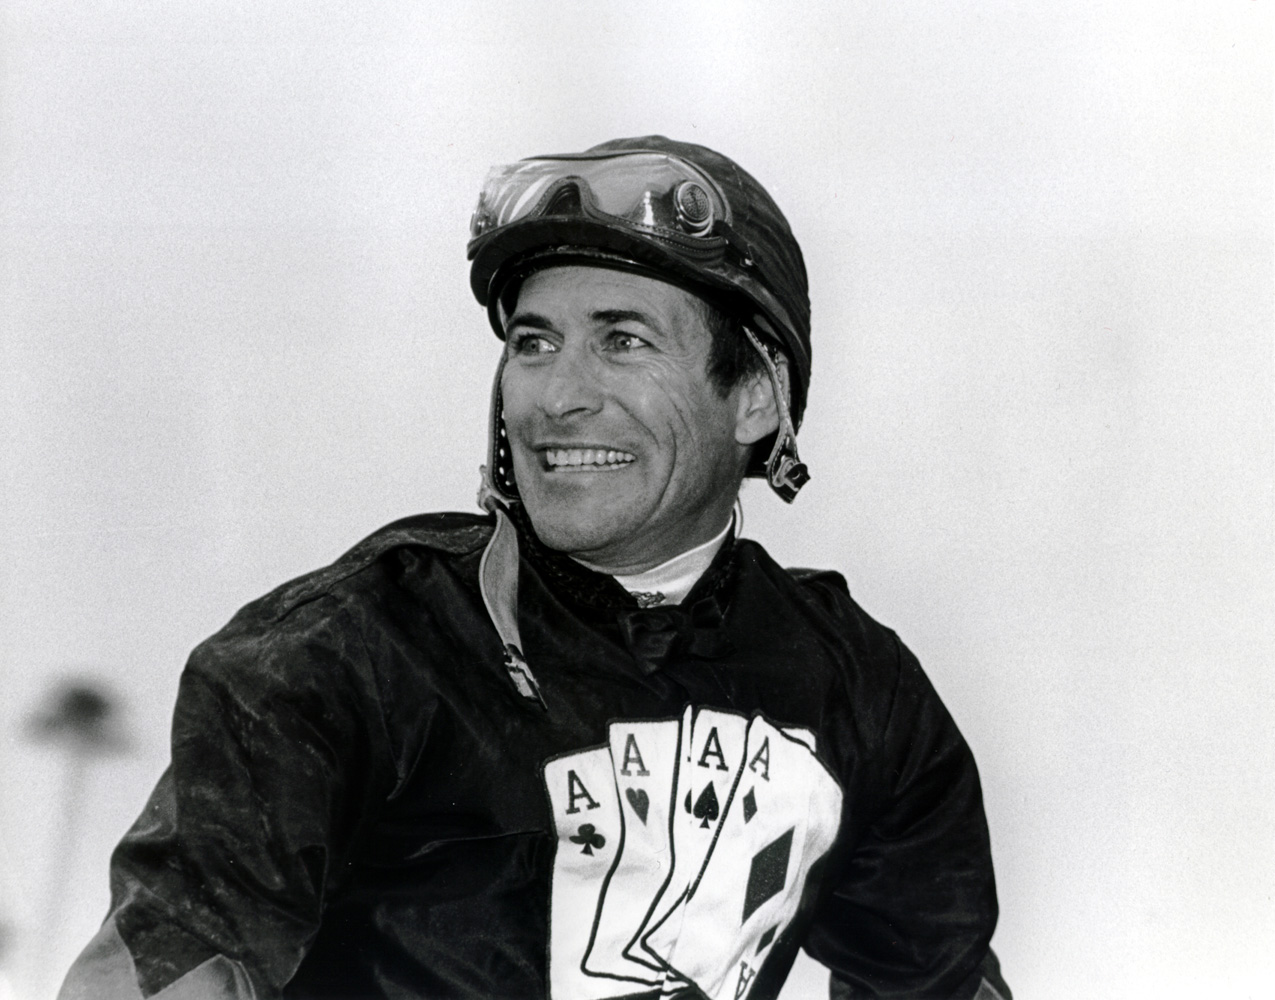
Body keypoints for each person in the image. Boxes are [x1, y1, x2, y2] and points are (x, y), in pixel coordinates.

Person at [60, 136, 1011, 1000]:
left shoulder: (861, 692)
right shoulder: (344, 652)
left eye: (623, 340)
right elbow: (172, 967)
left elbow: (936, 981)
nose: (560, 396)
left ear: (755, 397)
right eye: (534, 343)